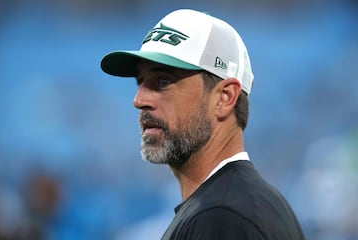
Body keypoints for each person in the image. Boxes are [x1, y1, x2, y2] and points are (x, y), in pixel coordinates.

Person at [101, 9, 305, 240]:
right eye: (140, 82)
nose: (139, 100)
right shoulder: (238, 205)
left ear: (224, 97)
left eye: (163, 81)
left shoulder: (222, 217)